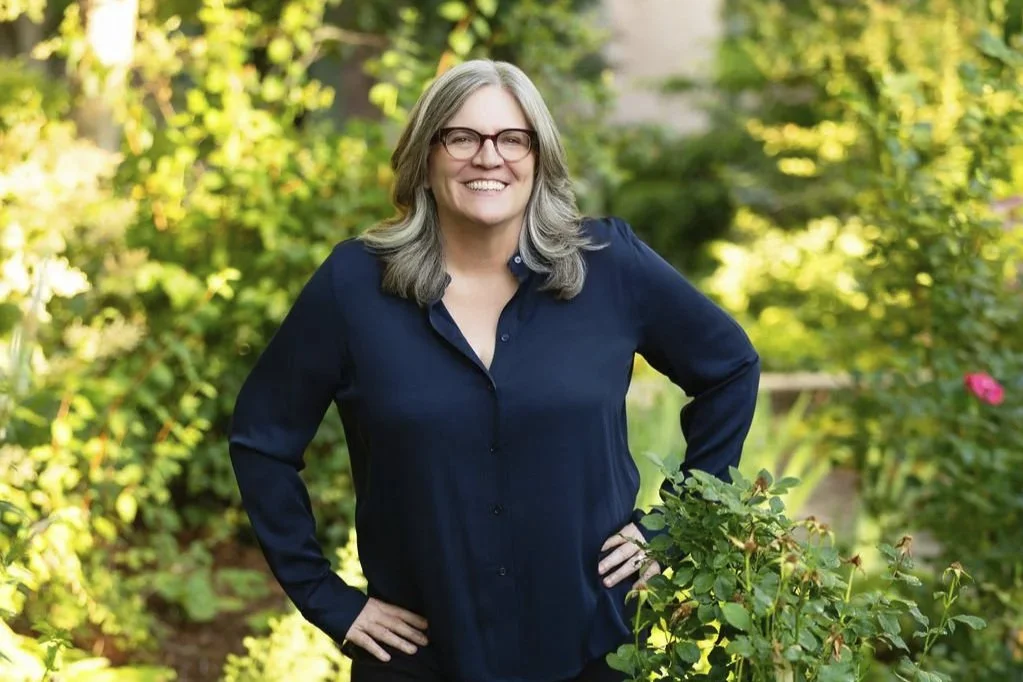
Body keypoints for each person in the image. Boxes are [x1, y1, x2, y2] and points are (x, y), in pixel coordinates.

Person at [228, 59, 760, 682]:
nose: (490, 158)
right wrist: (328, 600)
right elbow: (261, 440)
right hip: (419, 662)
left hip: (594, 653)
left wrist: (673, 528)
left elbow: (729, 368)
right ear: (425, 155)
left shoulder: (610, 267)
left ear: (539, 157)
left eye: (513, 139)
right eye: (462, 137)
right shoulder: (353, 286)